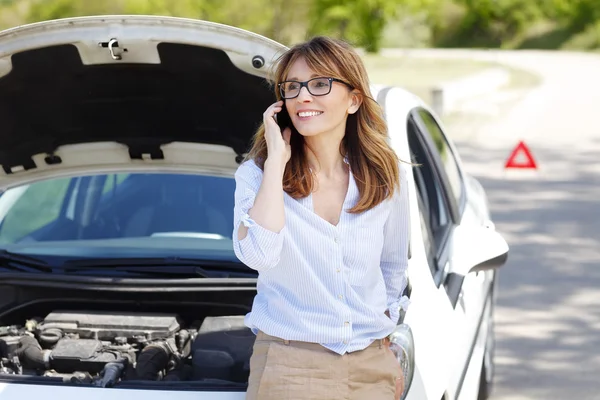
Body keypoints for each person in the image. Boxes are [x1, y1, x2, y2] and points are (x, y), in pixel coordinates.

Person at [232, 36, 410, 400]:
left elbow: (392, 263)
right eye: (293, 87)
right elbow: (258, 256)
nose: (303, 97)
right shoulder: (257, 175)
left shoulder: (383, 172)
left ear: (354, 100)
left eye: (319, 84)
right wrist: (277, 162)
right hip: (290, 364)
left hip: (371, 365)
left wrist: (386, 327)